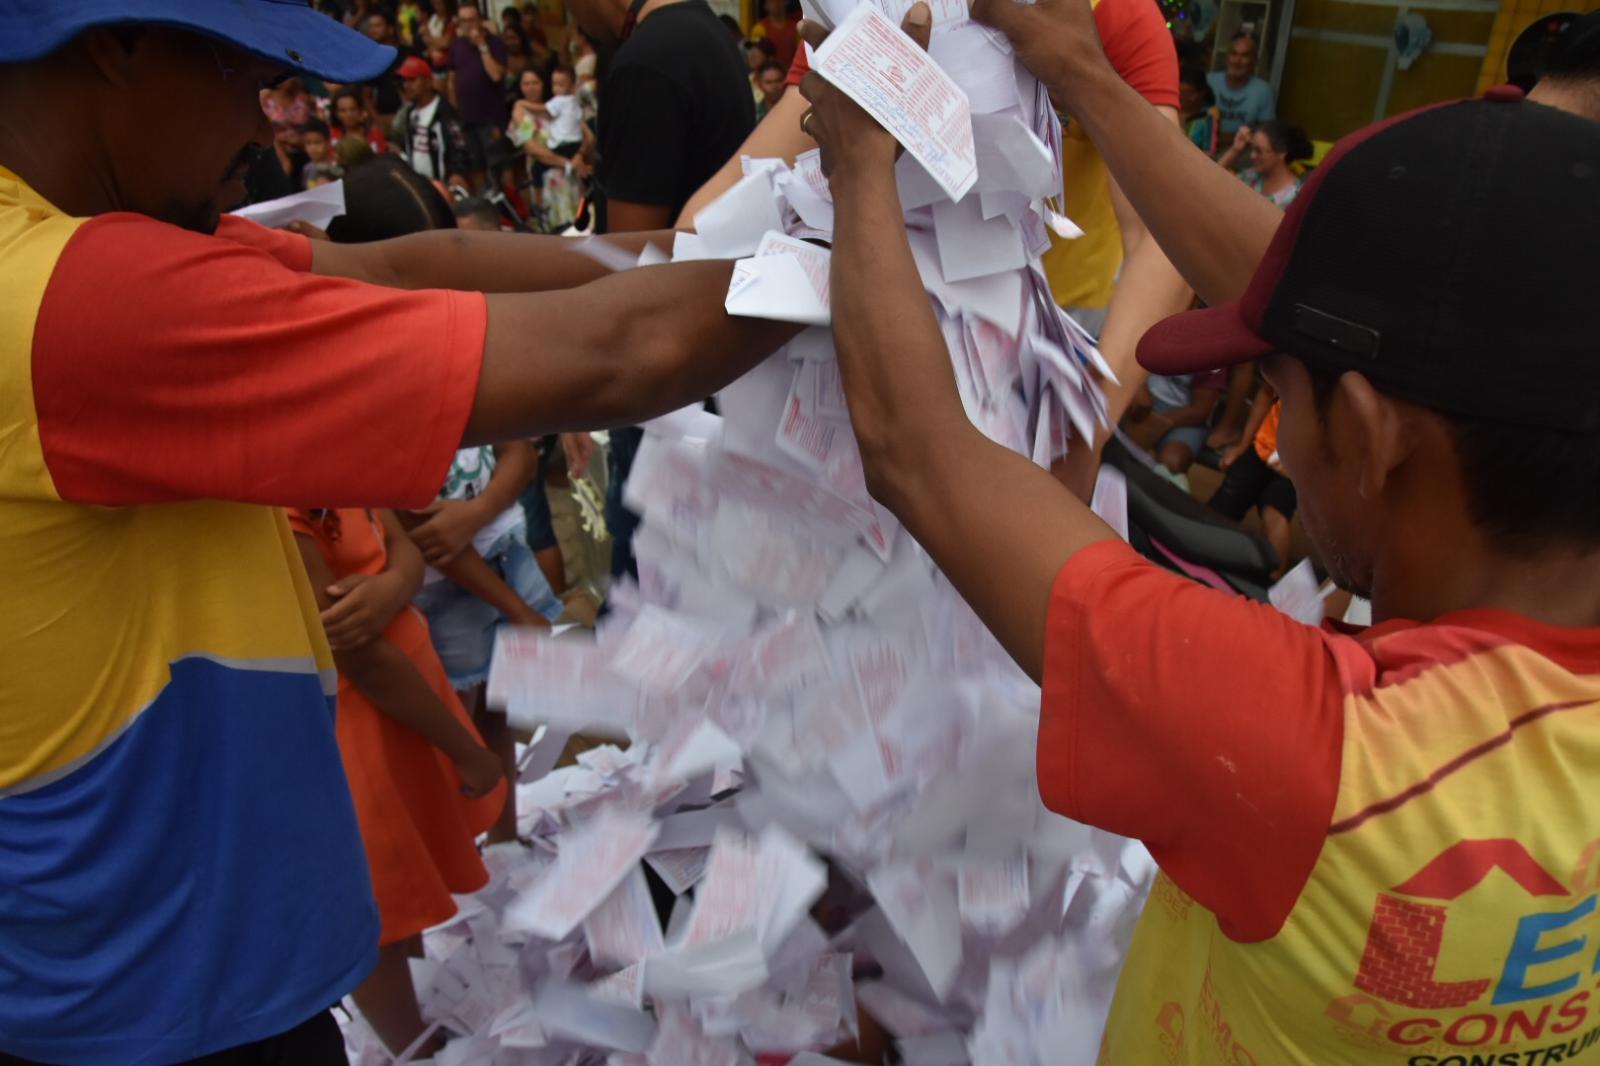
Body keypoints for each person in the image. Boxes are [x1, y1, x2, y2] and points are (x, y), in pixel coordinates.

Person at [0, 2, 796, 1059]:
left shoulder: (73, 250)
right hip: (160, 999)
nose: (263, 122)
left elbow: (400, 269)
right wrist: (853, 259)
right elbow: (624, 355)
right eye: (251, 78)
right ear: (119, 46)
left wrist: (679, 248)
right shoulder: (78, 304)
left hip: (149, 960)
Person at [805, 7, 1600, 1064]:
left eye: (1274, 402)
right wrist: (1081, 72)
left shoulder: (1313, 756)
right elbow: (1311, 288)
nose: (1272, 432)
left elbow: (916, 450)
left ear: (1368, 436)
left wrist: (860, 165)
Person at [290, 504, 505, 1057]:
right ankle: (412, 1047)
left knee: (411, 874)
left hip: (407, 697)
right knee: (379, 903)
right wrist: (464, 750)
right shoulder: (278, 508)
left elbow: (399, 538)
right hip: (363, 718)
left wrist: (391, 587)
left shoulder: (339, 453)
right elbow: (357, 651)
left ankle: (421, 1007)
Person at [567, 0, 756, 579]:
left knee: (650, 576)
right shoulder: (702, 31)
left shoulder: (648, 60)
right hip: (716, 353)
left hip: (665, 379)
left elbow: (634, 264)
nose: (572, 18)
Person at [1208, 387, 1295, 569]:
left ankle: (1270, 588)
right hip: (1263, 446)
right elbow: (1265, 394)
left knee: (1275, 514)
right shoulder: (1288, 360)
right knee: (1223, 505)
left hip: (1301, 464)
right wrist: (1242, 445)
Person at [1125, 367, 1226, 485]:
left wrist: (1152, 426)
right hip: (1143, 394)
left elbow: (1200, 411)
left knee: (1173, 461)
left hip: (1186, 415)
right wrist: (1138, 388)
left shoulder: (1213, 355)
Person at [446, 1, 510, 185]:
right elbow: (452, 79)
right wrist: (454, 109)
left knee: (499, 165)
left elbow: (496, 75)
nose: (468, 25)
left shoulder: (494, 43)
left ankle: (511, 207)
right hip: (466, 119)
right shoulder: (457, 45)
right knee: (476, 166)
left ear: (481, 20)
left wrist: (482, 46)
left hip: (491, 118)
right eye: (463, 21)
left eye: (472, 20)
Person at [393, 53, 473, 184]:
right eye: (404, 80)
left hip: (442, 186)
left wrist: (456, 175)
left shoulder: (445, 113)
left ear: (428, 81)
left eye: (412, 80)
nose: (406, 85)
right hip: (420, 186)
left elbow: (461, 149)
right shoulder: (410, 113)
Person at [1219, 118, 1310, 208]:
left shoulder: (1296, 195)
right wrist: (1235, 150)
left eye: (1259, 151)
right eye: (1252, 148)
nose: (1252, 155)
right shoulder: (1250, 177)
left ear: (1281, 153)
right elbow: (1213, 182)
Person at [1207, 31, 1275, 141]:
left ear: (1254, 61)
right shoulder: (1209, 81)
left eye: (1245, 56)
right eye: (1233, 54)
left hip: (1243, 152)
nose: (1237, 61)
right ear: (1226, 58)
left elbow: (1265, 132)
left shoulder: (1263, 90)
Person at [333, 85, 390, 153]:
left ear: (360, 110)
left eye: (353, 109)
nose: (349, 115)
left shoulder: (375, 135)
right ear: (336, 113)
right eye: (343, 110)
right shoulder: (332, 135)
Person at [1179, 62, 1219, 155]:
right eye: (1180, 94)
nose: (1191, 99)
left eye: (1190, 94)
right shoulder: (1169, 111)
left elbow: (1210, 152)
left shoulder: (1208, 117)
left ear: (1201, 94)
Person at [749, 0, 800, 67]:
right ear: (766, 5)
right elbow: (755, 57)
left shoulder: (795, 27)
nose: (776, 4)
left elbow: (800, 53)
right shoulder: (759, 29)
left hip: (790, 71)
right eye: (772, 1)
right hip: (768, 73)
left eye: (779, 1)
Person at [299, 117, 342, 187]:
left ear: (328, 143)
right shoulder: (307, 169)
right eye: (308, 143)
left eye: (317, 142)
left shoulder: (337, 167)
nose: (313, 148)